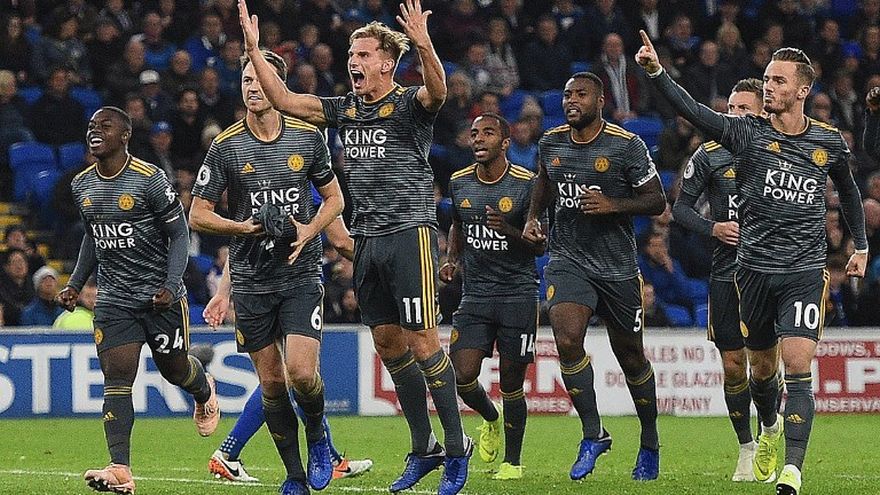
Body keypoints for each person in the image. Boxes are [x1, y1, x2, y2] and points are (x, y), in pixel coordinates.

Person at [237, 1, 472, 493]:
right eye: (351, 54)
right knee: (388, 343)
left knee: (424, 342)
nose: (354, 61)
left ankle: (456, 449)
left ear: (387, 63)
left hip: (408, 234)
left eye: (363, 55)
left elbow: (438, 90)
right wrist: (255, 50)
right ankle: (424, 447)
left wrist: (423, 43)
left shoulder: (408, 105)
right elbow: (285, 99)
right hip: (366, 239)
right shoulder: (345, 109)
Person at [636, 31, 869, 495]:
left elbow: (848, 191)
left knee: (797, 364)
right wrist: (657, 72)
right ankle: (767, 428)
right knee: (762, 371)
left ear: (802, 90)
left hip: (803, 271)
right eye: (767, 79)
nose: (769, 87)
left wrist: (860, 245)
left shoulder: (827, 141)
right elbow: (693, 111)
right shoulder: (746, 133)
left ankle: (792, 470)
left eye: (778, 81)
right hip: (752, 273)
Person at [189, 48, 344, 495]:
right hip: (253, 281)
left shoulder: (307, 137)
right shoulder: (226, 146)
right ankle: (294, 475)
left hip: (299, 274)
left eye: (260, 80)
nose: (253, 88)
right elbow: (198, 213)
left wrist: (308, 229)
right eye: (246, 81)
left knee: (301, 374)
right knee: (272, 385)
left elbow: (334, 199)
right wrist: (241, 228)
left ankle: (318, 439)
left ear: (277, 85)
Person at [55, 106, 220, 494]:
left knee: (175, 370)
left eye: (105, 126)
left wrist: (171, 283)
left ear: (125, 136)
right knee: (117, 378)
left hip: (159, 297)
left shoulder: (149, 179)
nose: (95, 131)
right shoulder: (82, 185)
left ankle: (204, 390)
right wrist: (76, 283)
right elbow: (93, 237)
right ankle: (120, 468)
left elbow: (179, 234)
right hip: (114, 300)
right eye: (91, 126)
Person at [522, 72, 667, 482]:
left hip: (617, 268)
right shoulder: (551, 142)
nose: (571, 101)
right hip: (568, 260)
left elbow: (656, 200)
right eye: (567, 94)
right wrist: (533, 218)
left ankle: (650, 440)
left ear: (600, 101)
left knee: (631, 357)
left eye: (581, 94)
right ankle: (593, 433)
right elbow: (544, 182)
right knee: (567, 340)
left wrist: (613, 204)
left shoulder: (626, 145)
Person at [200, 243, 373, 484]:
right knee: (294, 376)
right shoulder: (296, 224)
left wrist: (223, 291)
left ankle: (331, 459)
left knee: (291, 378)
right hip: (286, 289)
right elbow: (339, 238)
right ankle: (229, 452)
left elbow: (241, 240)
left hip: (263, 290)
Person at [439, 113, 545, 481]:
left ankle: (512, 462)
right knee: (462, 376)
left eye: (487, 133)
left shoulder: (527, 185)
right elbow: (458, 224)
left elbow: (540, 246)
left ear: (505, 142)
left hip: (518, 295)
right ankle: (490, 416)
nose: (479, 139)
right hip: (476, 296)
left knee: (512, 383)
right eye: (474, 134)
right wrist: (451, 260)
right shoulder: (459, 182)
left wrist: (510, 230)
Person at [671, 77, 766, 481]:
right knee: (733, 365)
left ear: (762, 112)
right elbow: (680, 209)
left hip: (769, 273)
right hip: (726, 273)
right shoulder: (709, 154)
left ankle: (770, 430)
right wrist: (713, 228)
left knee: (765, 365)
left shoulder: (778, 150)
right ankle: (746, 447)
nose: (736, 115)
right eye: (731, 108)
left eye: (744, 109)